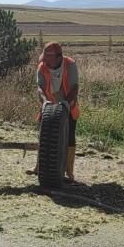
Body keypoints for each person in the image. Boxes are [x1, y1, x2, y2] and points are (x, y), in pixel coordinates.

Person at [33, 42, 80, 181]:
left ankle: (69, 171)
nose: (46, 61)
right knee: (43, 135)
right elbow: (40, 88)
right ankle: (38, 167)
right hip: (48, 104)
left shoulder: (70, 65)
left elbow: (74, 87)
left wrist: (66, 103)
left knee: (69, 137)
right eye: (45, 57)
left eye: (49, 58)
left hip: (68, 104)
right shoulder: (42, 67)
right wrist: (44, 102)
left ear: (59, 57)